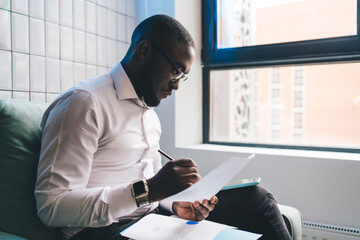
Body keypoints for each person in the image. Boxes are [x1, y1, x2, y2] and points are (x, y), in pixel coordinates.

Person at [35, 14, 292, 240]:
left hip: (150, 220)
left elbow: (153, 195)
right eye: (176, 71)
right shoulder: (84, 103)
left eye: (183, 76)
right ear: (144, 50)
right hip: (100, 231)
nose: (177, 85)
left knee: (257, 200)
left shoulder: (150, 116)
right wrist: (147, 190)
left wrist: (176, 206)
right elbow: (52, 206)